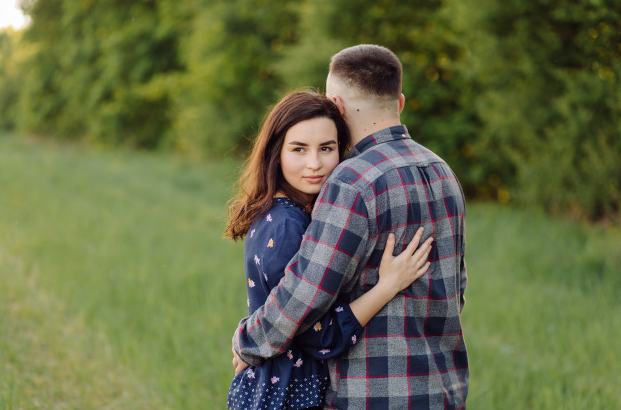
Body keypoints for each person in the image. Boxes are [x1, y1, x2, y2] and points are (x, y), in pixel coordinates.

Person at [232, 45, 469, 410]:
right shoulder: (443, 173)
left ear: (336, 107)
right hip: (444, 390)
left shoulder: (352, 180)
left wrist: (248, 341)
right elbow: (457, 289)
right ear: (400, 103)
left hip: (372, 395)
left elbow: (304, 294)